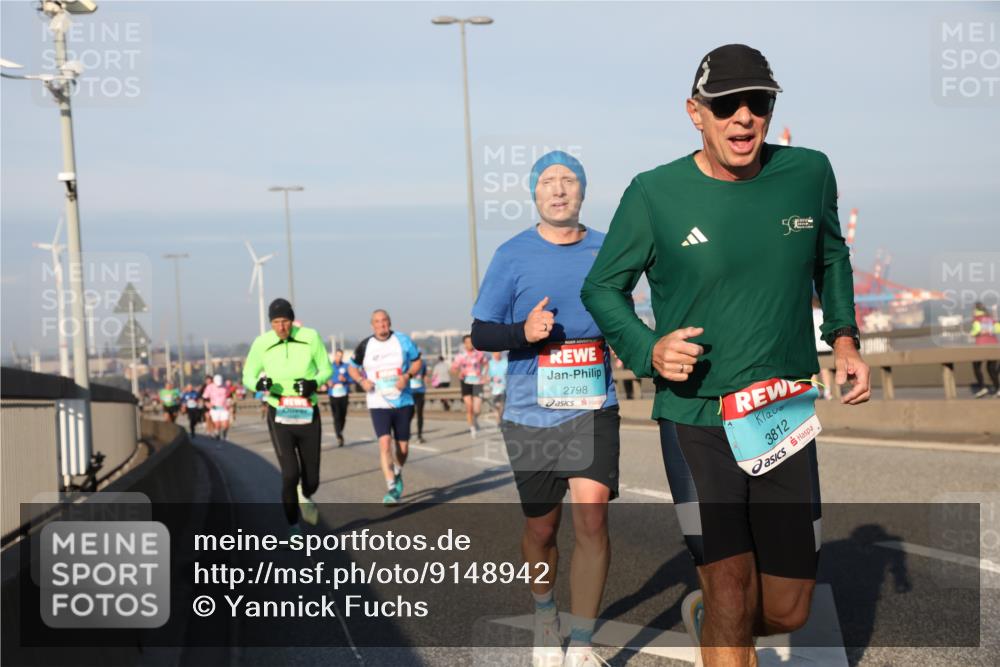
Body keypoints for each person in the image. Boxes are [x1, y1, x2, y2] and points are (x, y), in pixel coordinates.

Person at [580, 45, 871, 667]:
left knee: (789, 608)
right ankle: (720, 611)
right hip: (696, 418)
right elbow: (602, 287)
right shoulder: (655, 193)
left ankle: (707, 616)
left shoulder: (809, 172)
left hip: (781, 415)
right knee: (731, 585)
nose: (744, 118)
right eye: (726, 105)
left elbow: (832, 255)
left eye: (758, 103)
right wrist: (647, 347)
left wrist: (843, 338)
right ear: (696, 112)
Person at [472, 150, 620, 667]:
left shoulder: (609, 248)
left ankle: (580, 645)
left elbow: (626, 308)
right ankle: (545, 610)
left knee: (593, 519)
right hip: (531, 412)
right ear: (534, 194)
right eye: (549, 182)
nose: (559, 190)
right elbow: (481, 331)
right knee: (542, 529)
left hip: (593, 404)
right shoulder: (512, 255)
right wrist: (522, 333)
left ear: (583, 192)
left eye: (569, 181)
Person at [242, 298, 332, 537]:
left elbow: (326, 369)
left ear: (292, 320)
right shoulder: (262, 343)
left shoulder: (311, 337)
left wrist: (314, 382)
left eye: (285, 321)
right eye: (275, 322)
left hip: (307, 412)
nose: (281, 327)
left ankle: (305, 493)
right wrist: (259, 383)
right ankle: (293, 526)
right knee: (290, 473)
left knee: (311, 479)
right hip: (279, 414)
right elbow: (247, 376)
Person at [348, 309, 422, 505]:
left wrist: (407, 376)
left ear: (389, 322)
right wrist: (361, 381)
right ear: (372, 325)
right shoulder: (365, 345)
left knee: (403, 449)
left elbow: (417, 362)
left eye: (384, 321)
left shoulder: (403, 340)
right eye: (377, 322)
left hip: (402, 400)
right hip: (377, 401)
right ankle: (391, 486)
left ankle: (397, 471)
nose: (382, 325)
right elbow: (352, 367)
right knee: (384, 443)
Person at [451, 335, 489, 437]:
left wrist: (484, 375)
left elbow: (486, 364)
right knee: (469, 407)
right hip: (465, 382)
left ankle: (475, 419)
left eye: (471, 342)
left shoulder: (479, 354)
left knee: (477, 409)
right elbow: (453, 369)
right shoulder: (460, 356)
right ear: (464, 344)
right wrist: (458, 372)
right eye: (467, 342)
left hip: (477, 382)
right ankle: (472, 428)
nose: (469, 344)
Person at [970, 301, 1000, 397]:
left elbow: (976, 330)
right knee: (991, 368)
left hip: (981, 346)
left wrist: (972, 334)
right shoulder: (991, 319)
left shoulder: (977, 320)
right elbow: (998, 329)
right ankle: (998, 388)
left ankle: (983, 388)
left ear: (976, 310)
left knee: (976, 366)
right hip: (993, 345)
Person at [326, 349, 353, 446]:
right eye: (337, 356)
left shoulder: (346, 366)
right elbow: (324, 377)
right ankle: (339, 435)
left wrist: (345, 379)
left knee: (343, 415)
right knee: (336, 415)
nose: (339, 358)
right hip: (333, 394)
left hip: (343, 393)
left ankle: (340, 431)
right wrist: (327, 382)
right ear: (334, 356)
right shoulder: (329, 367)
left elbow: (352, 379)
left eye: (341, 356)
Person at [812, 296, 834, 399]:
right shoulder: (823, 313)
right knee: (825, 369)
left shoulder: (808, 314)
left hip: (813, 345)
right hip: (825, 345)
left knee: (813, 370)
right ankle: (827, 391)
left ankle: (815, 390)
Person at [203, 374, 232, 440]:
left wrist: (229, 402)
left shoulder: (225, 387)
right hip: (214, 408)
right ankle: (217, 433)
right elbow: (205, 397)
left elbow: (229, 396)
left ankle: (224, 434)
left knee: (226, 424)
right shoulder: (209, 387)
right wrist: (207, 403)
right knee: (217, 424)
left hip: (224, 407)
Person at [409, 356, 428, 443]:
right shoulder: (407, 363)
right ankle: (407, 432)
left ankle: (419, 435)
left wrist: (425, 380)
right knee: (410, 413)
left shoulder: (423, 364)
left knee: (420, 414)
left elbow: (424, 375)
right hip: (409, 392)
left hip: (420, 391)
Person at [487, 350, 508, 421]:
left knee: (502, 405)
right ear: (493, 353)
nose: (497, 354)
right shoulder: (489, 363)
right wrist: (492, 378)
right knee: (495, 405)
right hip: (493, 388)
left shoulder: (505, 362)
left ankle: (500, 419)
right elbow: (486, 376)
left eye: (498, 352)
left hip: (504, 387)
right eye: (495, 352)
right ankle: (498, 417)